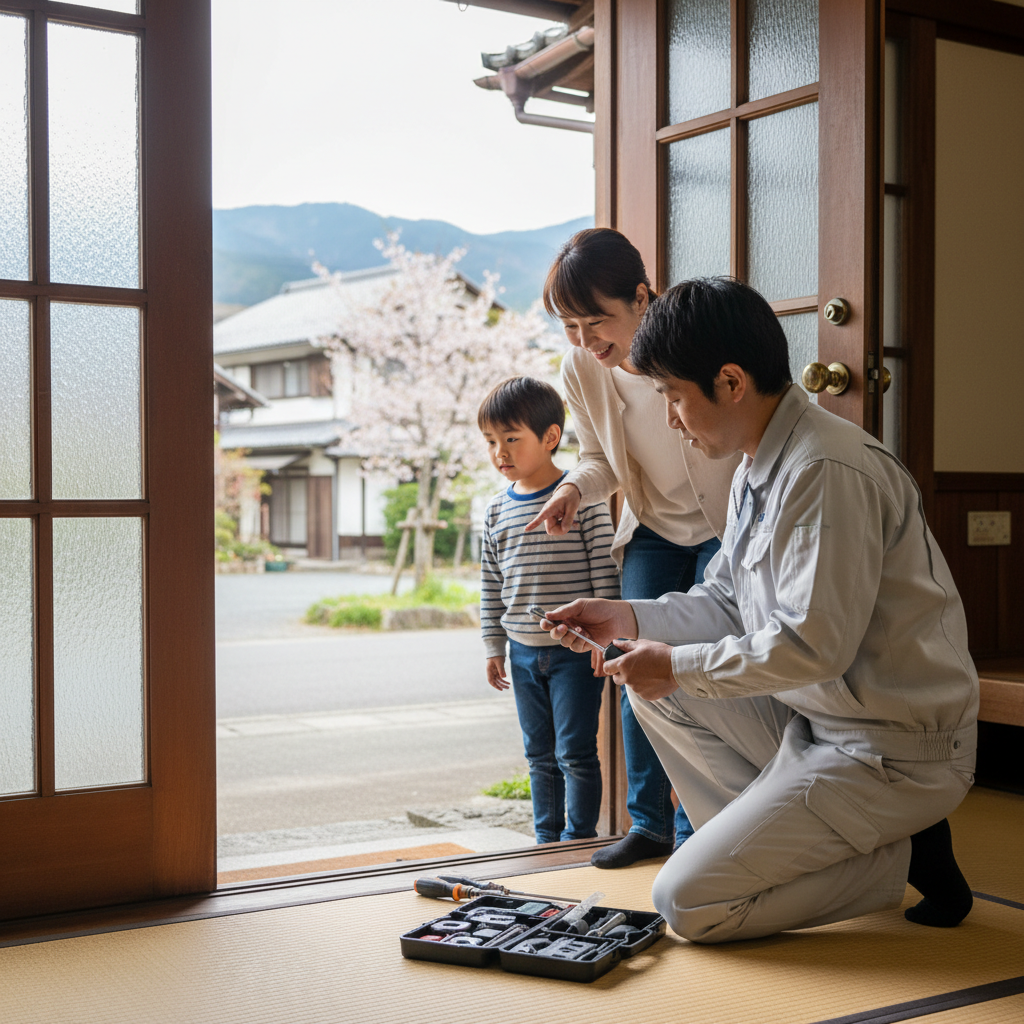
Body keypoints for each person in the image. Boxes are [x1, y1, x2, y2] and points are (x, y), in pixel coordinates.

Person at [542, 277, 979, 943]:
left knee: (688, 905)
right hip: (823, 721)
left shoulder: (825, 470)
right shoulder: (757, 466)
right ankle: (792, 842)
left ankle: (894, 852)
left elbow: (813, 646)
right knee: (650, 685)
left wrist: (680, 666)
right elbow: (725, 600)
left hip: (894, 747)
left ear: (731, 382)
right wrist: (628, 619)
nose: (671, 420)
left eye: (675, 398)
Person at [526, 228, 740, 869]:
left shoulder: (691, 345)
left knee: (703, 669)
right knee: (630, 669)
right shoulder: (581, 368)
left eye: (598, 320)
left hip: (723, 528)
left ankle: (703, 828)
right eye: (569, 324)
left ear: (642, 298)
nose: (587, 339)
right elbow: (599, 462)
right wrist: (572, 490)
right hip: (653, 528)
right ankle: (648, 823)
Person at [478, 376, 620, 844]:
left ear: (551, 437)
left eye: (512, 439)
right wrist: (492, 646)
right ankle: (545, 838)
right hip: (520, 651)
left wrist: (608, 642)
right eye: (492, 442)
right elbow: (491, 582)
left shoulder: (581, 497)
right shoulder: (497, 509)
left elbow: (605, 573)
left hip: (574, 651)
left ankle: (579, 839)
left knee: (576, 751)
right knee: (538, 753)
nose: (501, 452)